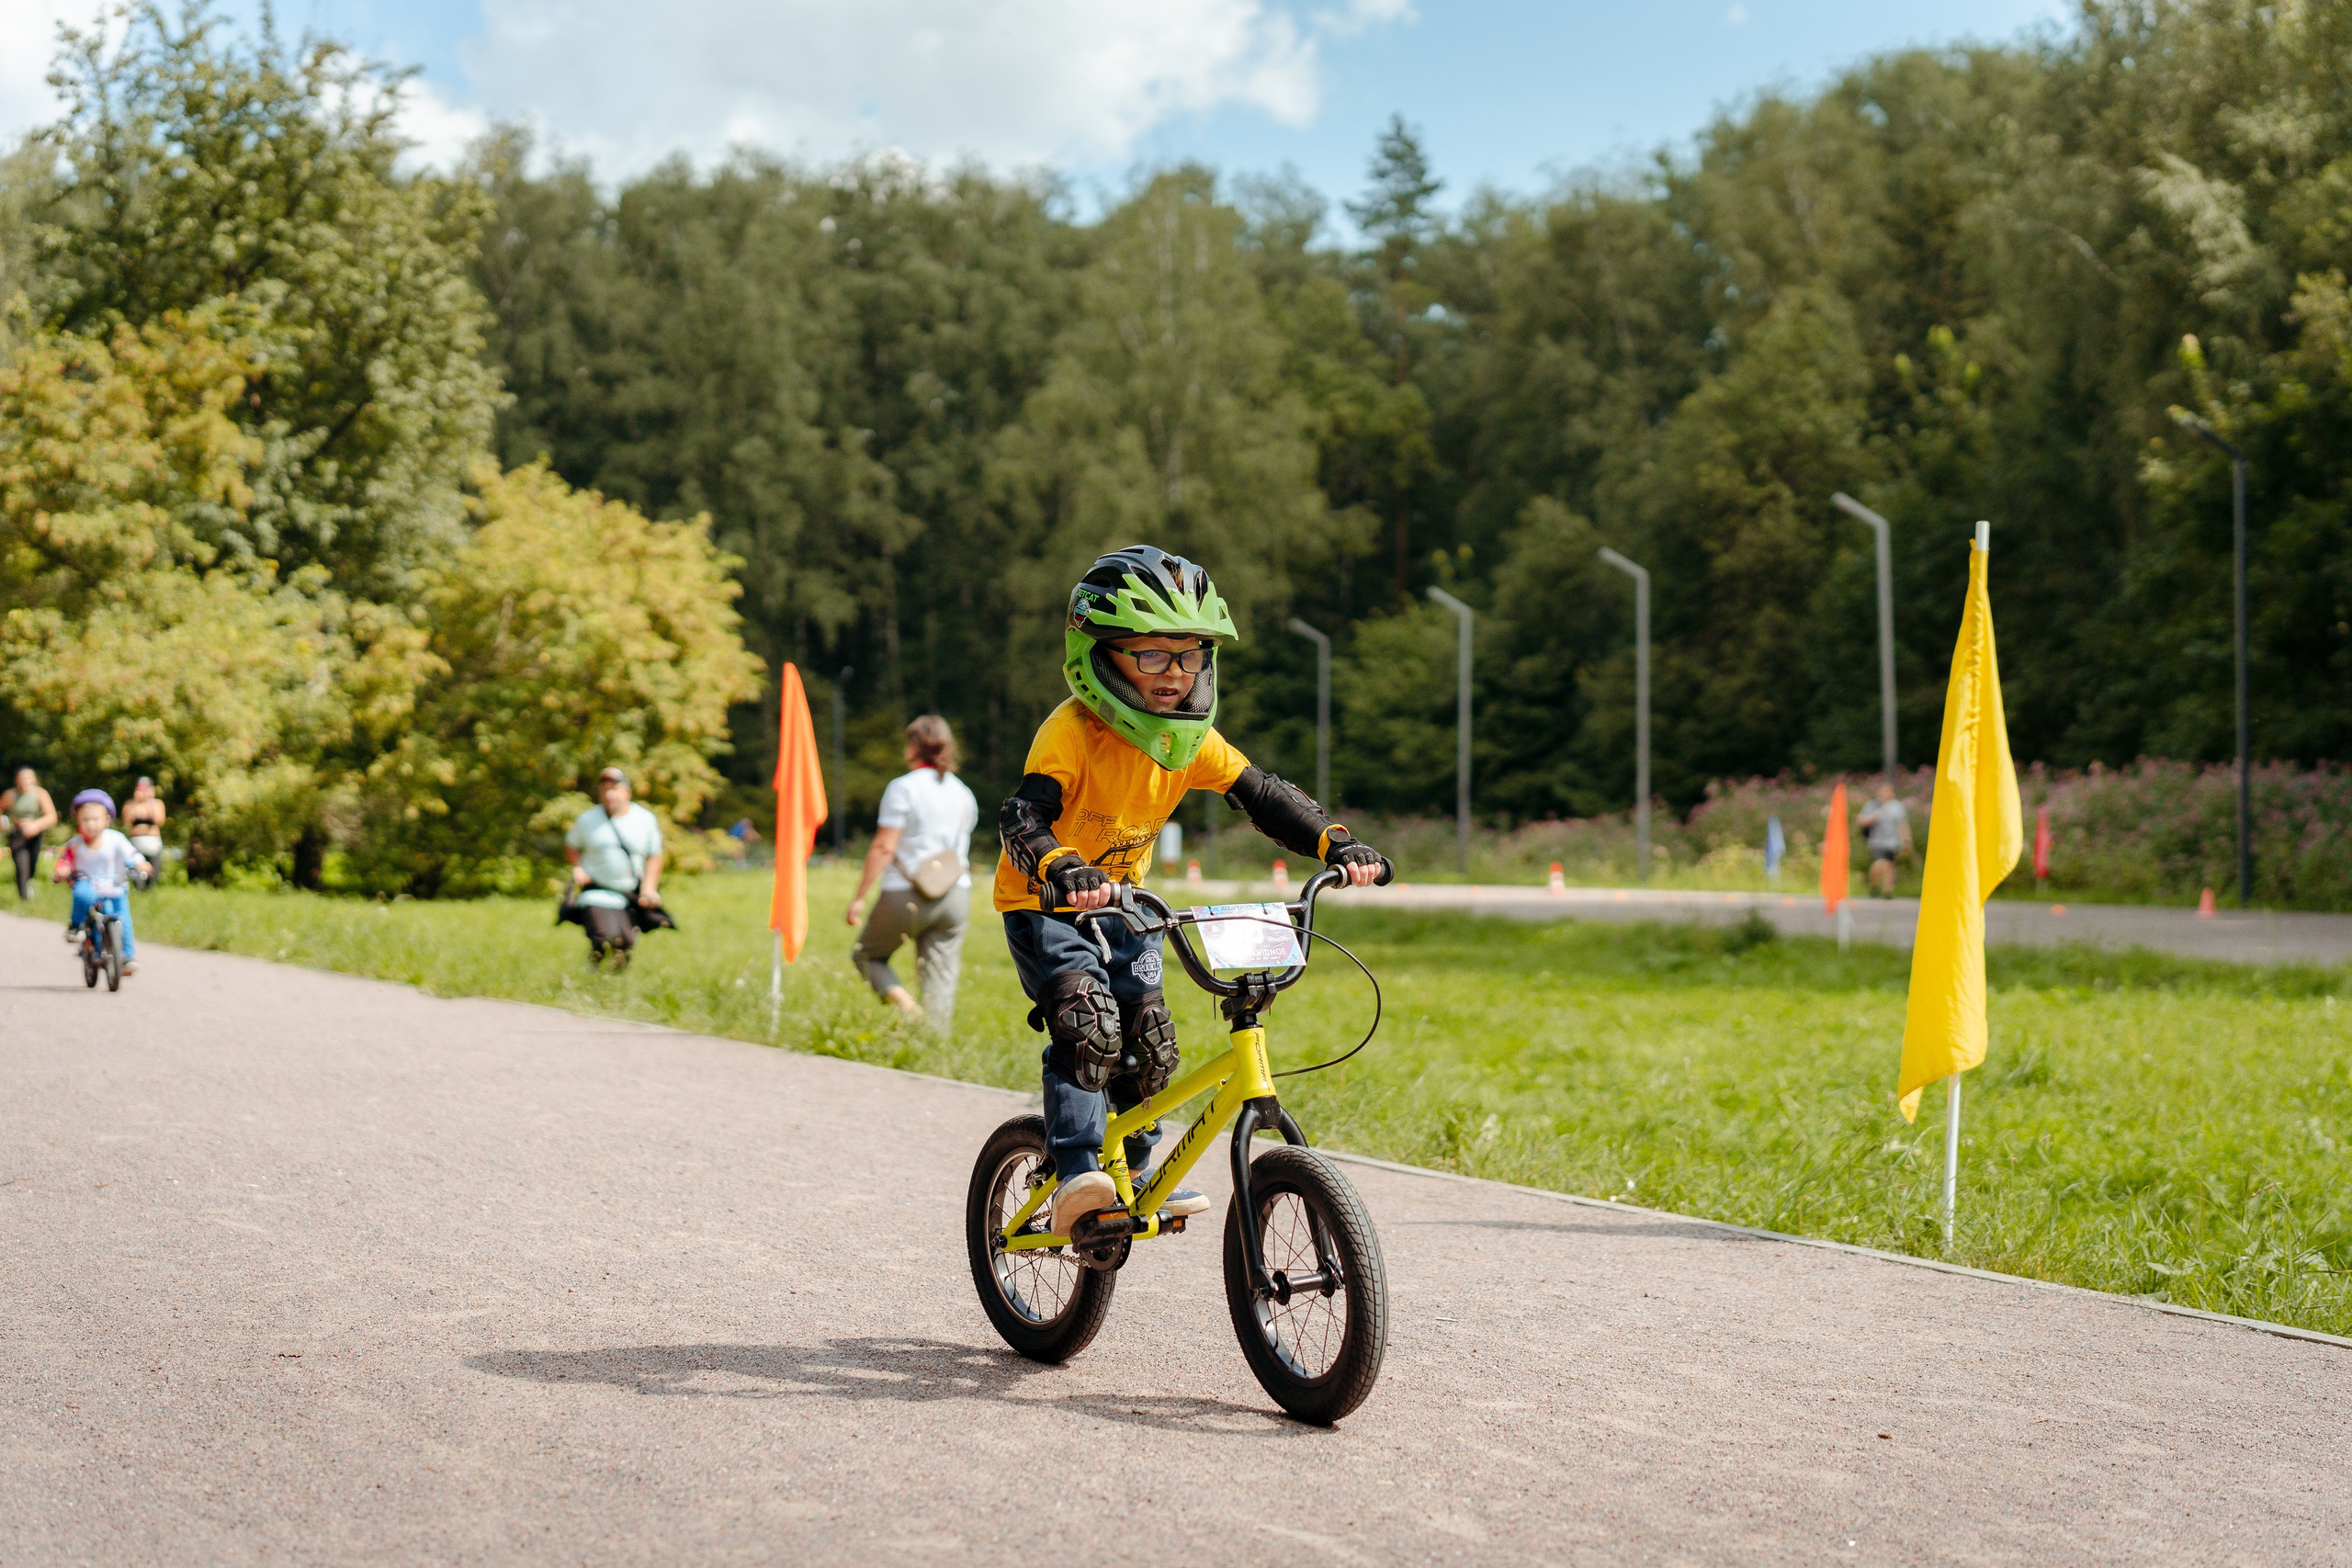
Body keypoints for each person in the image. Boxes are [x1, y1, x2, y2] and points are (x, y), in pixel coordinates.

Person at [996, 546, 1390, 1237]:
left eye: (1190, 656)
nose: (1176, 674)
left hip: (1129, 905)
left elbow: (1264, 795)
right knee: (1088, 1023)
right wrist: (1062, 866)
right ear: (1100, 655)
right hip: (1048, 906)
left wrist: (1337, 844)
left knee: (1150, 1043)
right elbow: (1022, 817)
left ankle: (1137, 1171)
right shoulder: (1072, 734)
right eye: (1152, 656)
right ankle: (1078, 1171)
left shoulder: (1189, 739)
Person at [846, 716, 978, 1028]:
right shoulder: (964, 793)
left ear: (913, 747)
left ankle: (910, 1012)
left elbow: (884, 847)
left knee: (866, 956)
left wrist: (859, 897)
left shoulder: (903, 788)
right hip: (955, 894)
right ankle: (934, 1040)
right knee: (940, 976)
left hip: (905, 893)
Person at [561, 767, 671, 969]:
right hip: (596, 891)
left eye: (614, 789)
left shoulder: (645, 819)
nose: (609, 794)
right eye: (604, 790)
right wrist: (578, 868)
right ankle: (590, 974)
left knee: (625, 944)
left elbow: (654, 856)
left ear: (627, 792)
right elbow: (571, 846)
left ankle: (601, 978)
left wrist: (649, 888)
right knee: (605, 936)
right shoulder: (587, 820)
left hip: (628, 894)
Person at [55, 790, 148, 976]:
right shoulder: (76, 843)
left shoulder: (116, 839)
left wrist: (141, 864)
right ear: (78, 821)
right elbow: (65, 860)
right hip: (87, 883)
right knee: (82, 895)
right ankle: (76, 925)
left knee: (124, 919)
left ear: (106, 820)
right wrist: (62, 870)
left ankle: (127, 956)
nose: (90, 824)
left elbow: (131, 855)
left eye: (95, 819)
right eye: (85, 820)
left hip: (114, 886)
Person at [2, 768, 57, 900]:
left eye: (28, 779)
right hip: (17, 834)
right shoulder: (10, 794)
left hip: (35, 834)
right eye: (22, 779)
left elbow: (52, 817)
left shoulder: (40, 794)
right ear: (17, 781)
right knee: (21, 864)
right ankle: (23, 898)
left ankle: (29, 887)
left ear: (34, 780)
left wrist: (36, 825)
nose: (25, 782)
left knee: (32, 865)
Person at [1857, 781, 1912, 897]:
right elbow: (1860, 820)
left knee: (1890, 864)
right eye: (1885, 791)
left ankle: (1887, 891)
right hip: (1876, 841)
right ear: (1880, 792)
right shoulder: (1873, 805)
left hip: (1892, 841)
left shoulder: (1897, 807)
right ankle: (1873, 884)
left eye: (1890, 791)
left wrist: (1906, 840)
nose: (1888, 793)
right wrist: (1872, 818)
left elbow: (1902, 824)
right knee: (1879, 863)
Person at [123, 777, 166, 889]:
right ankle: (139, 889)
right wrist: (136, 802)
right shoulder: (130, 804)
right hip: (137, 843)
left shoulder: (157, 804)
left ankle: (149, 891)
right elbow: (127, 820)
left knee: (153, 874)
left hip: (152, 843)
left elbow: (159, 820)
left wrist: (149, 801)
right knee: (137, 872)